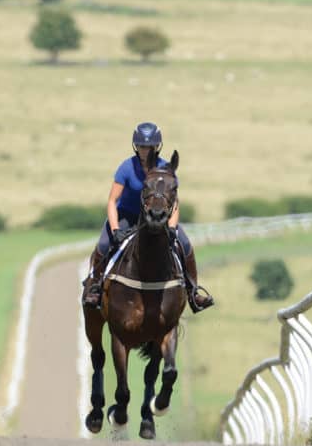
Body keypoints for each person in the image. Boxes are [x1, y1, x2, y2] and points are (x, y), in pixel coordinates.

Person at [82, 122, 214, 313]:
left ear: (156, 147)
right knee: (103, 245)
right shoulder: (126, 168)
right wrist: (115, 230)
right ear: (136, 146)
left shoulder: (166, 169)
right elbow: (112, 201)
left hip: (158, 217)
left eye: (149, 147)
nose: (145, 150)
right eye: (142, 146)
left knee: (184, 245)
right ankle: (95, 287)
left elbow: (174, 202)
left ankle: (193, 292)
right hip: (127, 215)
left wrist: (172, 228)